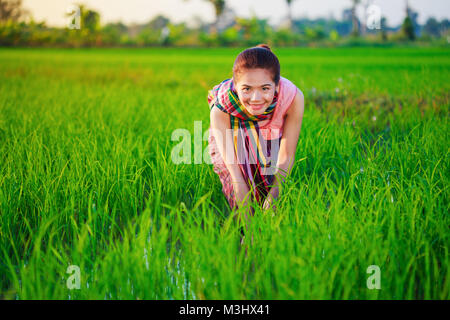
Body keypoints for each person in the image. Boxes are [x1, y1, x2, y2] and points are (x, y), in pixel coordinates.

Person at [207, 44, 304, 221]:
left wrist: (274, 196)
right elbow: (232, 165)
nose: (256, 98)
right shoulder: (222, 104)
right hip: (234, 135)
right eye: (247, 89)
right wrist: (239, 186)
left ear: (277, 85)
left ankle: (265, 233)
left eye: (265, 88)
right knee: (241, 193)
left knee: (267, 188)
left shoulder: (292, 97)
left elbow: (286, 154)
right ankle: (246, 235)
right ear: (235, 86)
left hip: (268, 134)